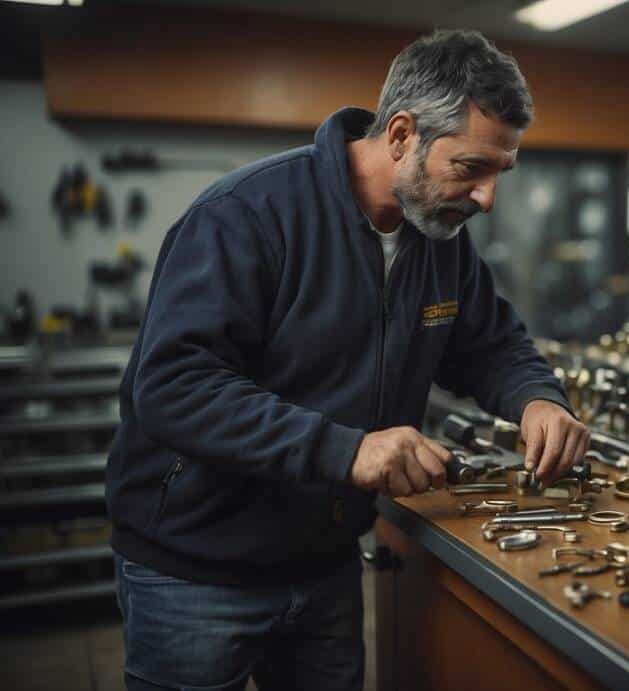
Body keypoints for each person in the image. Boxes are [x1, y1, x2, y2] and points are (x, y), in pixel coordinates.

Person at [105, 30, 589, 691]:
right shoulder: (245, 216)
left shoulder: (440, 240)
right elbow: (172, 386)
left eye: (500, 173)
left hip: (324, 563)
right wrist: (346, 450)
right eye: (471, 168)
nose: (486, 199)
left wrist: (538, 397)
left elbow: (491, 344)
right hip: (197, 567)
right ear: (400, 137)